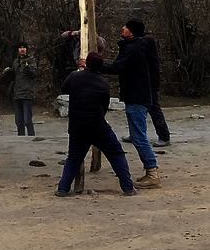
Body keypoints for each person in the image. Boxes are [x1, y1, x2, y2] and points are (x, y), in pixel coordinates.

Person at [55, 52, 135, 197]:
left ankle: (63, 188)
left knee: (73, 157)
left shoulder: (75, 76)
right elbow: (105, 104)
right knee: (116, 153)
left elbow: (64, 89)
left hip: (77, 126)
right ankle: (128, 187)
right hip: (98, 126)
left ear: (86, 63)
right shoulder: (103, 83)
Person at [99, 19, 161, 189]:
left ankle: (152, 173)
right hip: (138, 96)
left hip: (136, 97)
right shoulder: (136, 47)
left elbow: (117, 67)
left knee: (139, 137)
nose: (123, 28)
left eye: (126, 26)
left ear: (132, 31)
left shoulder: (132, 48)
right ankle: (150, 172)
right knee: (138, 136)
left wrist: (95, 65)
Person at [126, 26, 170, 147]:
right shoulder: (142, 41)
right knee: (136, 108)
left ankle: (164, 136)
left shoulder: (144, 41)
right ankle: (135, 134)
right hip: (142, 80)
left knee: (153, 107)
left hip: (149, 80)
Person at [4, 42, 37, 136]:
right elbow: (13, 78)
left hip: (27, 93)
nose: (22, 49)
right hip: (17, 94)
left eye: (24, 48)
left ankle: (31, 139)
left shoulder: (31, 60)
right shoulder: (15, 62)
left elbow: (33, 74)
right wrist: (8, 72)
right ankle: (20, 141)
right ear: (18, 50)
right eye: (20, 48)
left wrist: (26, 67)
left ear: (27, 49)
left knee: (27, 121)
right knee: (19, 122)